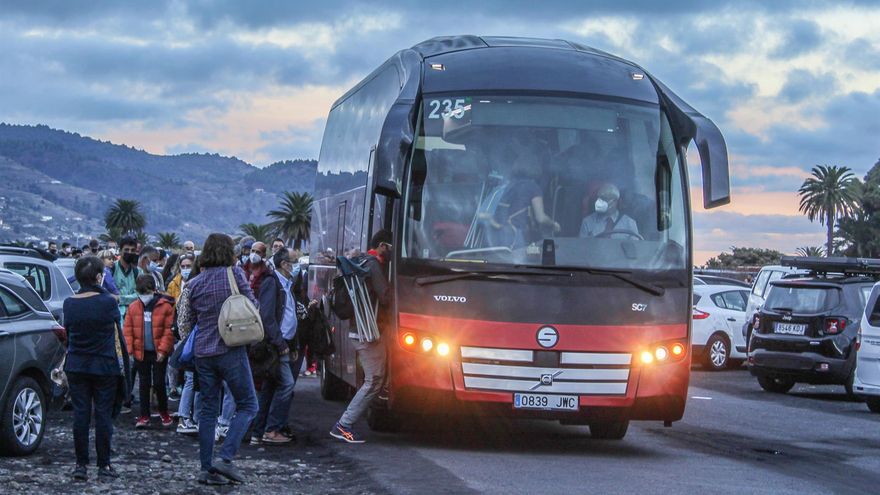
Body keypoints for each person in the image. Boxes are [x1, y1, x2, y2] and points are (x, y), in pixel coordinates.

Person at [178, 233, 259, 486]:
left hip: (203, 354)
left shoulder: (194, 283)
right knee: (248, 404)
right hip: (231, 350)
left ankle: (206, 470)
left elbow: (184, 324)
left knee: (208, 412)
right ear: (229, 252)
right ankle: (225, 457)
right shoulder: (235, 275)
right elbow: (252, 305)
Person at [63, 256, 125, 481]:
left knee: (80, 415)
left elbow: (67, 333)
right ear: (99, 277)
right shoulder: (108, 302)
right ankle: (104, 465)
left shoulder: (69, 303)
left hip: (77, 365)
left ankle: (80, 465)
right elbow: (116, 327)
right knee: (103, 415)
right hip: (104, 366)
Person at [330, 230, 393, 444]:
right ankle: (343, 425)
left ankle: (345, 424)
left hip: (363, 329)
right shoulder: (374, 265)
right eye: (391, 246)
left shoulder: (363, 260)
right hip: (368, 332)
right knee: (374, 379)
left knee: (375, 379)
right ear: (383, 244)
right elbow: (384, 296)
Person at [250, 248, 297, 445]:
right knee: (286, 385)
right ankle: (272, 429)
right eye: (294, 261)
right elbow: (267, 316)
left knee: (270, 387)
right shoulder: (273, 283)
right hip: (276, 345)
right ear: (285, 264)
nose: (296, 265)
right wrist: (280, 343)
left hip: (284, 342)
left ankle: (257, 431)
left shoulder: (286, 284)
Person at [124, 275, 175, 428]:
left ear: (153, 290)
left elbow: (168, 330)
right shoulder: (133, 307)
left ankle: (164, 412)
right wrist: (130, 348)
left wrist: (163, 350)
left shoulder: (165, 306)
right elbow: (128, 330)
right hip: (141, 352)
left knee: (159, 383)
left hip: (159, 352)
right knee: (144, 384)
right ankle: (144, 415)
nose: (144, 296)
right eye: (141, 292)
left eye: (145, 292)